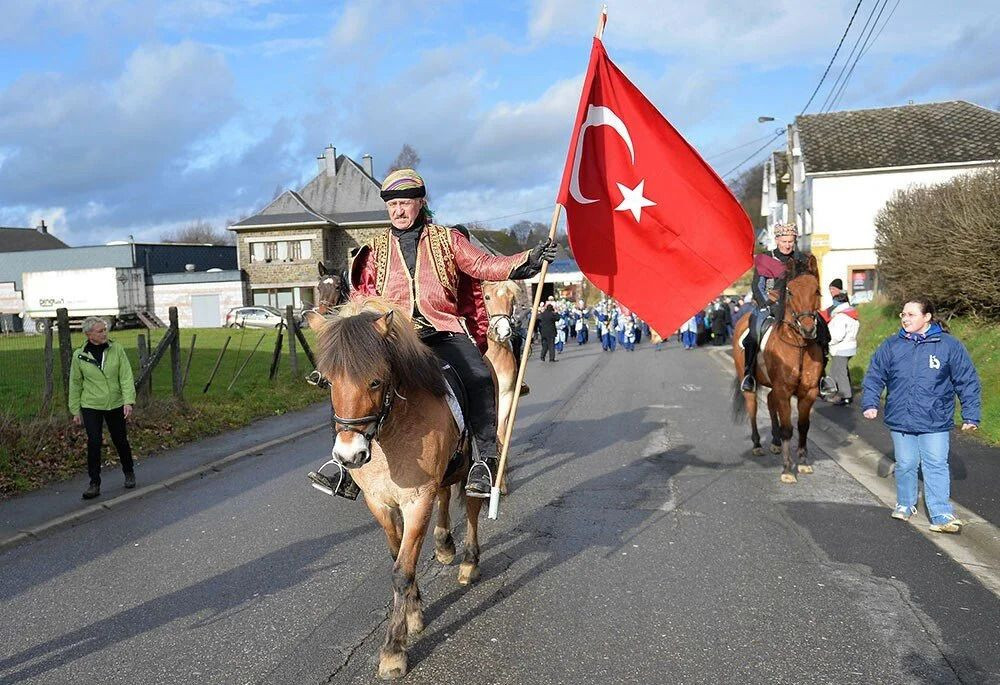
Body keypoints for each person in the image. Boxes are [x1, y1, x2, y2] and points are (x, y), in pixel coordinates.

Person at [311, 169, 556, 500]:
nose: (399, 210)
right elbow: (362, 299)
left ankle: (485, 460)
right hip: (394, 339)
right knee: (350, 379)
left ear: (420, 203)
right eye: (393, 204)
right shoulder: (374, 251)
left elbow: (484, 266)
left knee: (479, 376)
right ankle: (344, 466)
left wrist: (528, 259)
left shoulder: (448, 239)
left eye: (406, 203)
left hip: (442, 333)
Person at [861, 297, 981, 533]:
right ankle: (905, 504)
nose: (905, 319)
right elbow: (875, 375)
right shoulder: (892, 345)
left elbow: (966, 380)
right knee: (906, 464)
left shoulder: (948, 345)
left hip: (935, 418)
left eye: (911, 315)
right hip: (901, 416)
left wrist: (971, 415)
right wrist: (870, 403)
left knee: (935, 464)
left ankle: (941, 514)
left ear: (927, 317)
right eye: (903, 315)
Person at [741, 222, 826, 392]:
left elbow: (809, 284)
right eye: (784, 241)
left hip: (797, 308)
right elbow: (757, 286)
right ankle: (749, 374)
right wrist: (765, 304)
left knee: (823, 331)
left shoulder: (802, 259)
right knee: (753, 333)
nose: (787, 245)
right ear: (777, 240)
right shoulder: (767, 258)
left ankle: (822, 376)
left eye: (790, 241)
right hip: (771, 304)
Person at [68, 317, 137, 499]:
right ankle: (94, 483)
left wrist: (128, 401)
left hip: (115, 403)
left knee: (120, 440)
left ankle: (129, 472)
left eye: (105, 330)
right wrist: (75, 410)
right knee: (94, 442)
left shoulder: (117, 349)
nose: (104, 333)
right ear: (89, 334)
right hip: (91, 404)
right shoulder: (79, 355)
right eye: (100, 331)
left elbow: (126, 377)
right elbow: (75, 383)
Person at [825, 297, 859, 405]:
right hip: (849, 347)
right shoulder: (852, 315)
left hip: (841, 348)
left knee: (841, 373)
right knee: (836, 371)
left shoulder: (840, 317)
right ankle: (828, 391)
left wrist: (828, 342)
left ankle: (846, 396)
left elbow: (837, 336)